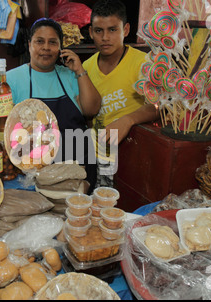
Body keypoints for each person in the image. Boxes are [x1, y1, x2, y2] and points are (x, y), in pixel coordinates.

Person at [7, 18, 101, 193]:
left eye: (53, 42)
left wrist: (80, 70)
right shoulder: (12, 79)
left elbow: (92, 109)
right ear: (29, 45)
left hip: (77, 167)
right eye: (39, 41)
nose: (46, 47)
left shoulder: (71, 76)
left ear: (61, 47)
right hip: (35, 170)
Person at [83, 0, 159, 188]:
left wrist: (128, 120)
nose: (105, 37)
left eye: (112, 30)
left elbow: (160, 106)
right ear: (91, 32)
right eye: (99, 30)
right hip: (97, 156)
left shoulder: (143, 64)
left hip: (132, 156)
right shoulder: (86, 68)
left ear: (125, 30)